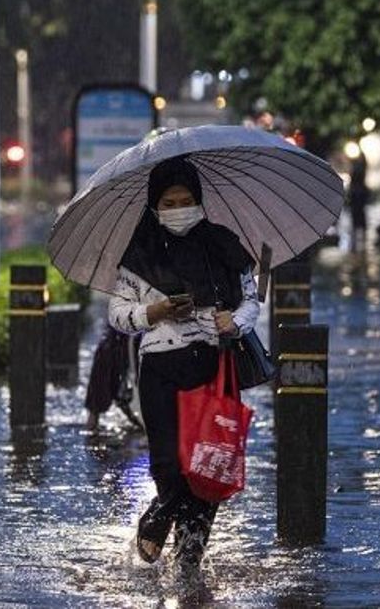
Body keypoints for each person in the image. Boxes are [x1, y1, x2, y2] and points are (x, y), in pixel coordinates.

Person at [108, 156, 260, 569]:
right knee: (170, 464)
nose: (178, 209)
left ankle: (190, 552)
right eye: (169, 203)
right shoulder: (140, 254)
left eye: (186, 200)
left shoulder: (224, 245)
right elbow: (117, 314)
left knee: (207, 463)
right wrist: (153, 312)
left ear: (200, 199)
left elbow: (251, 301)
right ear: (155, 206)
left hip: (214, 365)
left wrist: (235, 321)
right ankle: (160, 514)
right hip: (160, 369)